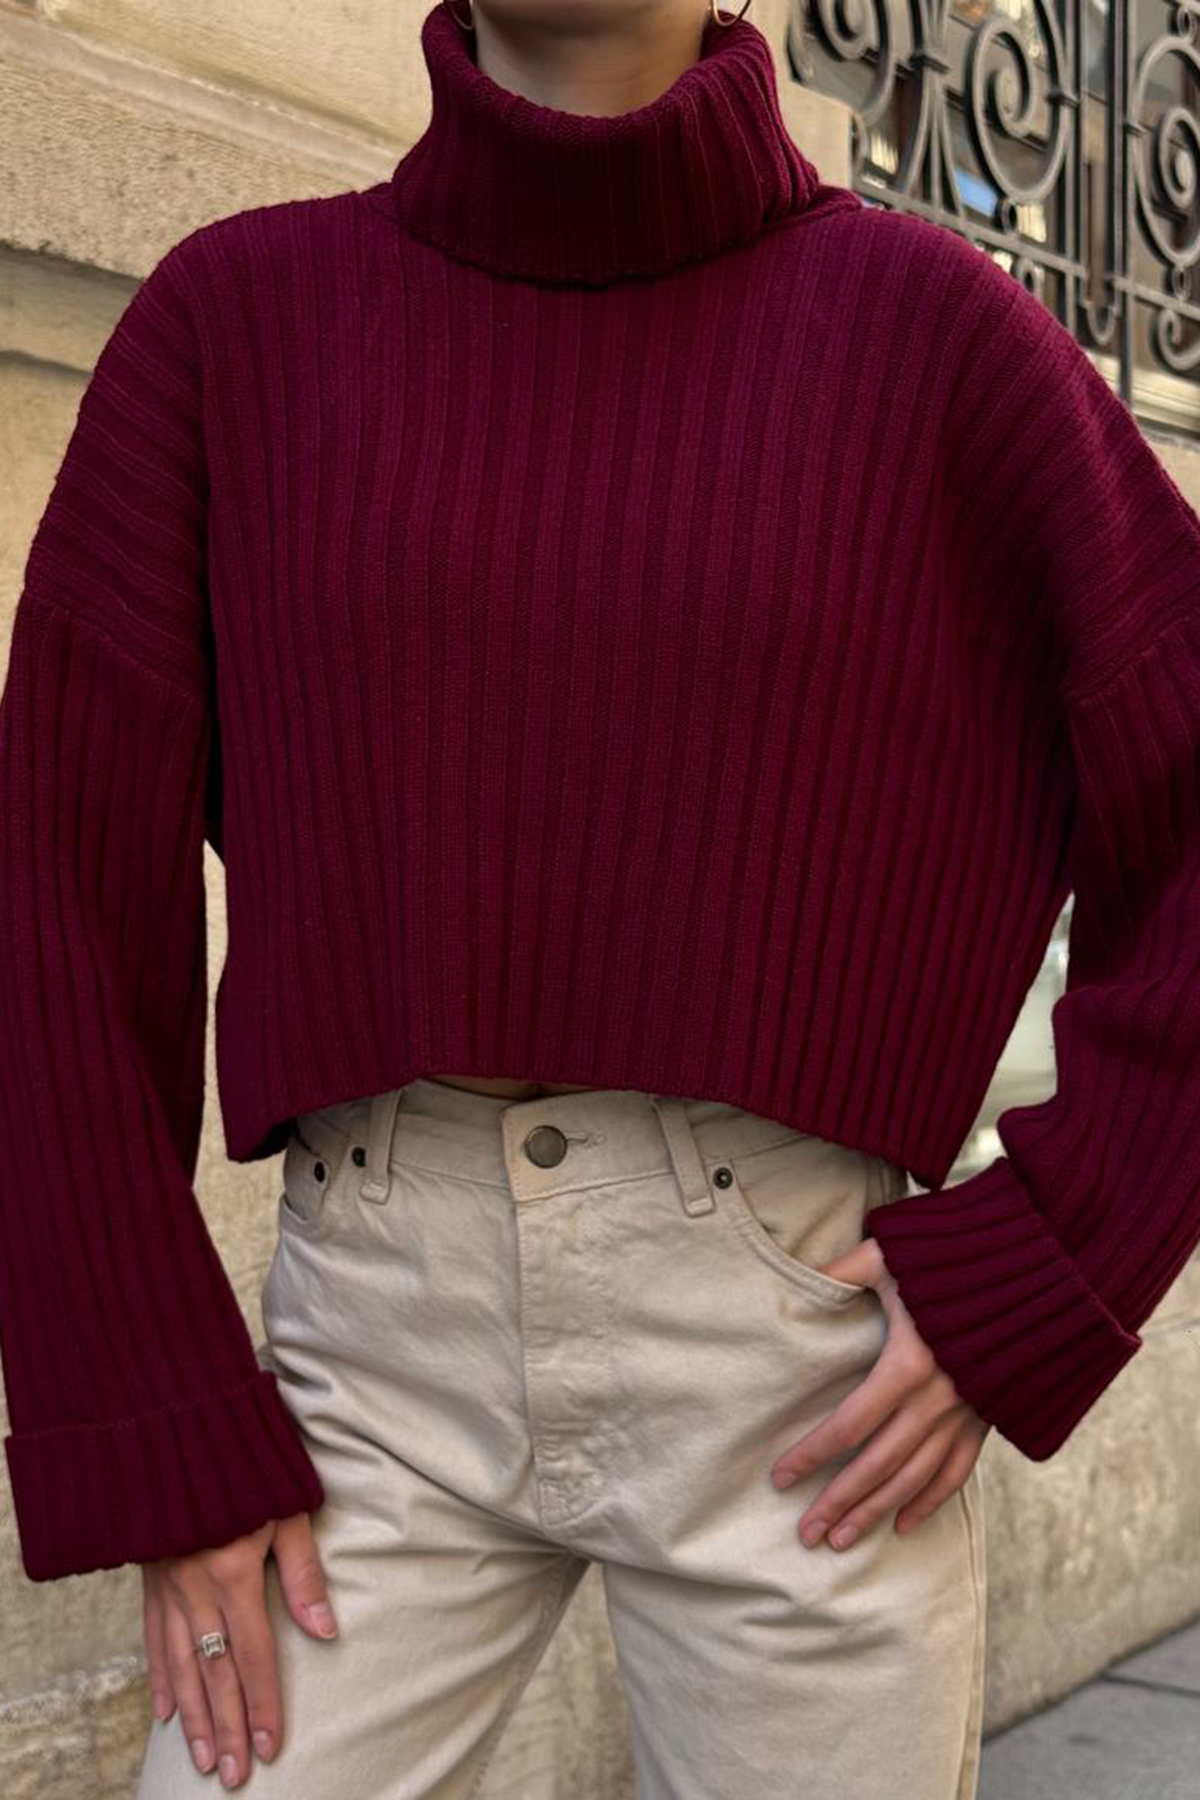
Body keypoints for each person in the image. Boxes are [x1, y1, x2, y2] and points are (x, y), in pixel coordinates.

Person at [2, 0, 1199, 1793]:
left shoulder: (941, 340)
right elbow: (55, 905)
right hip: (372, 1343)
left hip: (797, 1353)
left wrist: (1052, 1262)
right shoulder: (233, 327)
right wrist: (148, 1401)